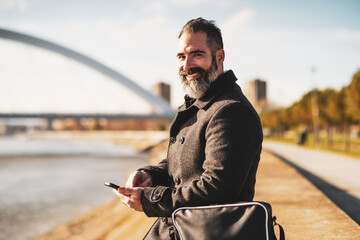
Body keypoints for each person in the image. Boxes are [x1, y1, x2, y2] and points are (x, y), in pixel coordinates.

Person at [113, 17, 263, 239]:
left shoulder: (230, 110)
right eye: (181, 56)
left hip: (209, 232)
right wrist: (150, 176)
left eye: (197, 54)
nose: (186, 65)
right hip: (185, 229)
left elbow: (217, 188)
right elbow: (184, 166)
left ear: (219, 57)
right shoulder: (199, 105)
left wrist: (149, 199)